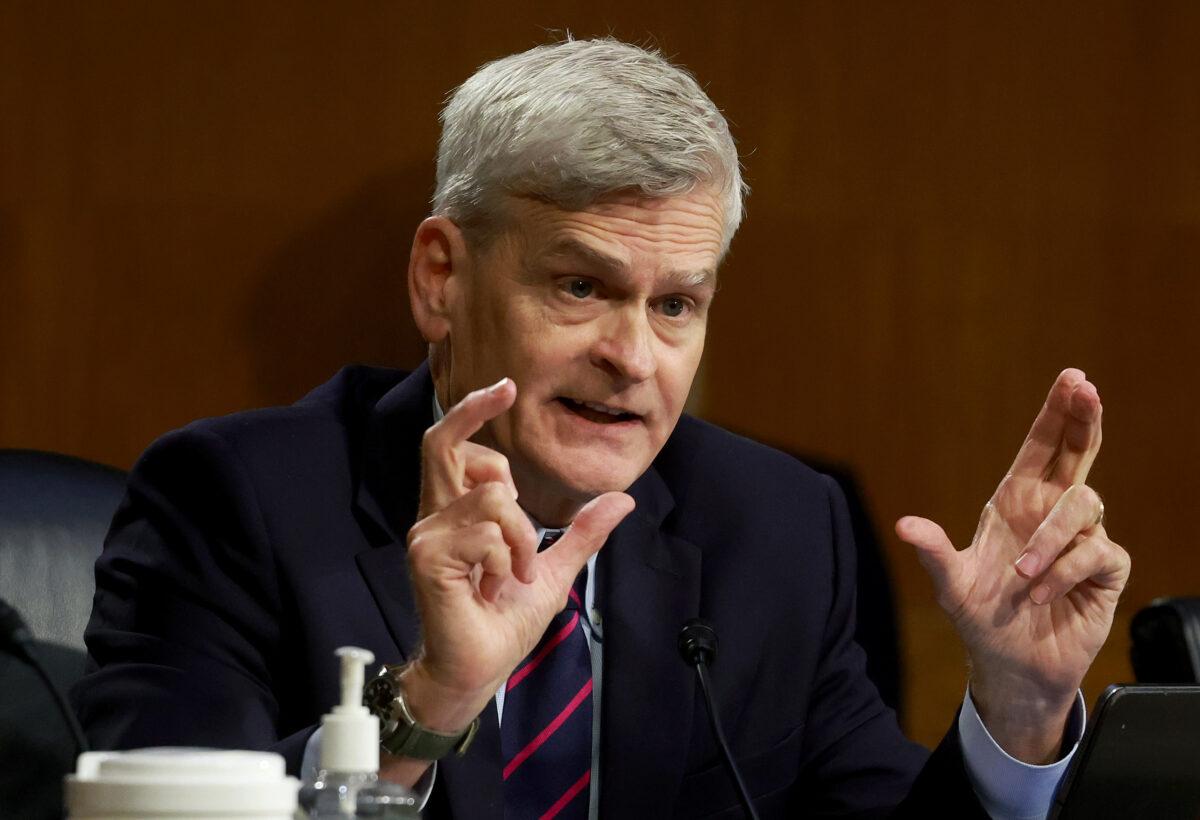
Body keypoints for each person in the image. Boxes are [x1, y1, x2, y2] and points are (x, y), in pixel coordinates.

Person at [74, 38, 1129, 819]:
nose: (634, 357)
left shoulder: (773, 529)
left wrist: (1019, 712)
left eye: (677, 304)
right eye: (581, 286)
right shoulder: (233, 502)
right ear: (442, 278)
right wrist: (431, 698)